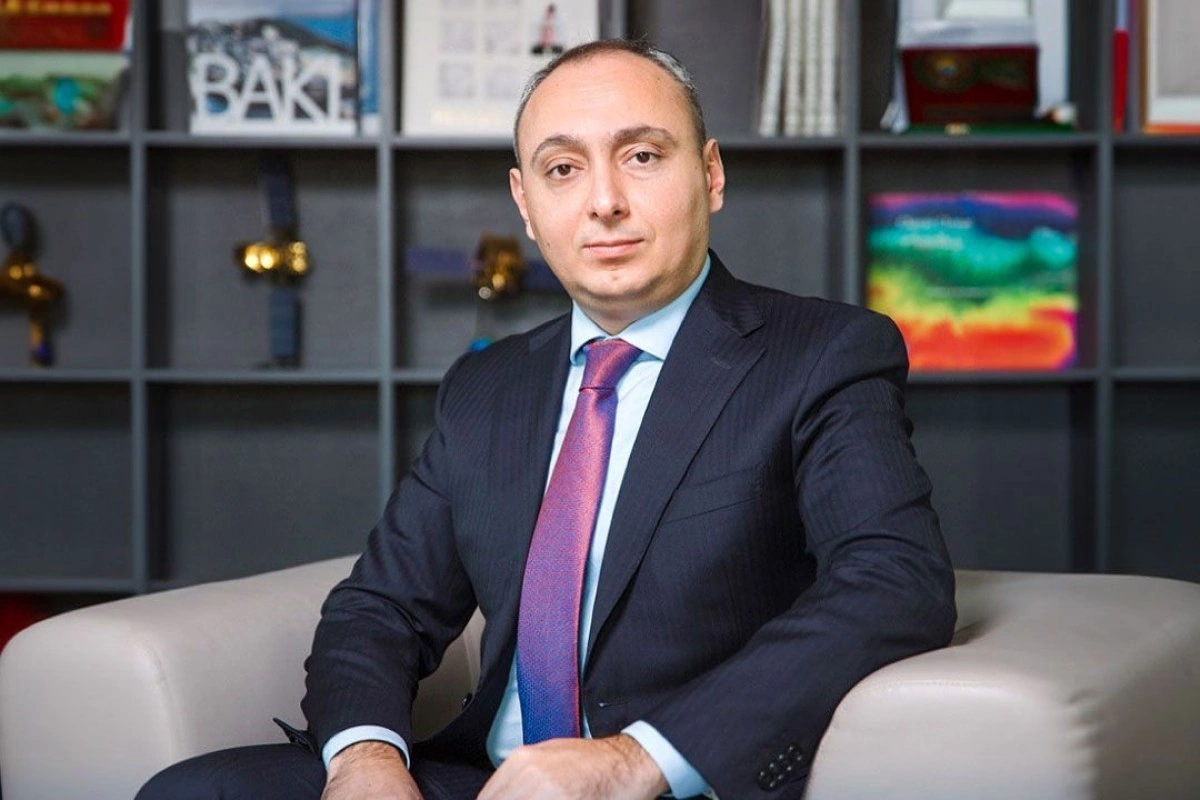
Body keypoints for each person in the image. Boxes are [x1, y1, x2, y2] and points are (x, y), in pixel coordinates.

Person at [139, 39, 956, 800]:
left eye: (642, 156)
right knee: (195, 791)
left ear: (710, 174)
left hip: (671, 782)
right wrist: (366, 759)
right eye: (563, 169)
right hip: (486, 780)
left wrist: (635, 759)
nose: (604, 202)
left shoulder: (820, 354)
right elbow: (380, 608)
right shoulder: (489, 385)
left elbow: (894, 580)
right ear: (525, 203)